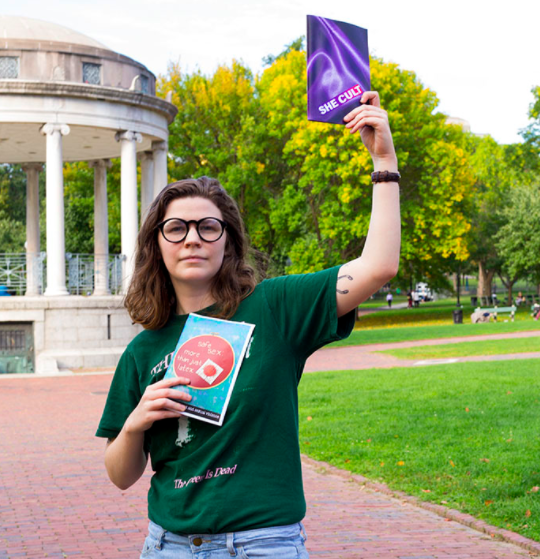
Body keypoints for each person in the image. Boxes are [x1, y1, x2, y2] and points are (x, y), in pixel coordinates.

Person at [96, 90, 400, 558]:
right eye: (176, 228)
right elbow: (120, 476)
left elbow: (378, 266)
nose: (192, 238)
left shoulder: (275, 308)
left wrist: (384, 162)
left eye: (208, 227)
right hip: (169, 545)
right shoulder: (144, 350)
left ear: (227, 241)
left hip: (263, 544)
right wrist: (136, 422)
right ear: (157, 244)